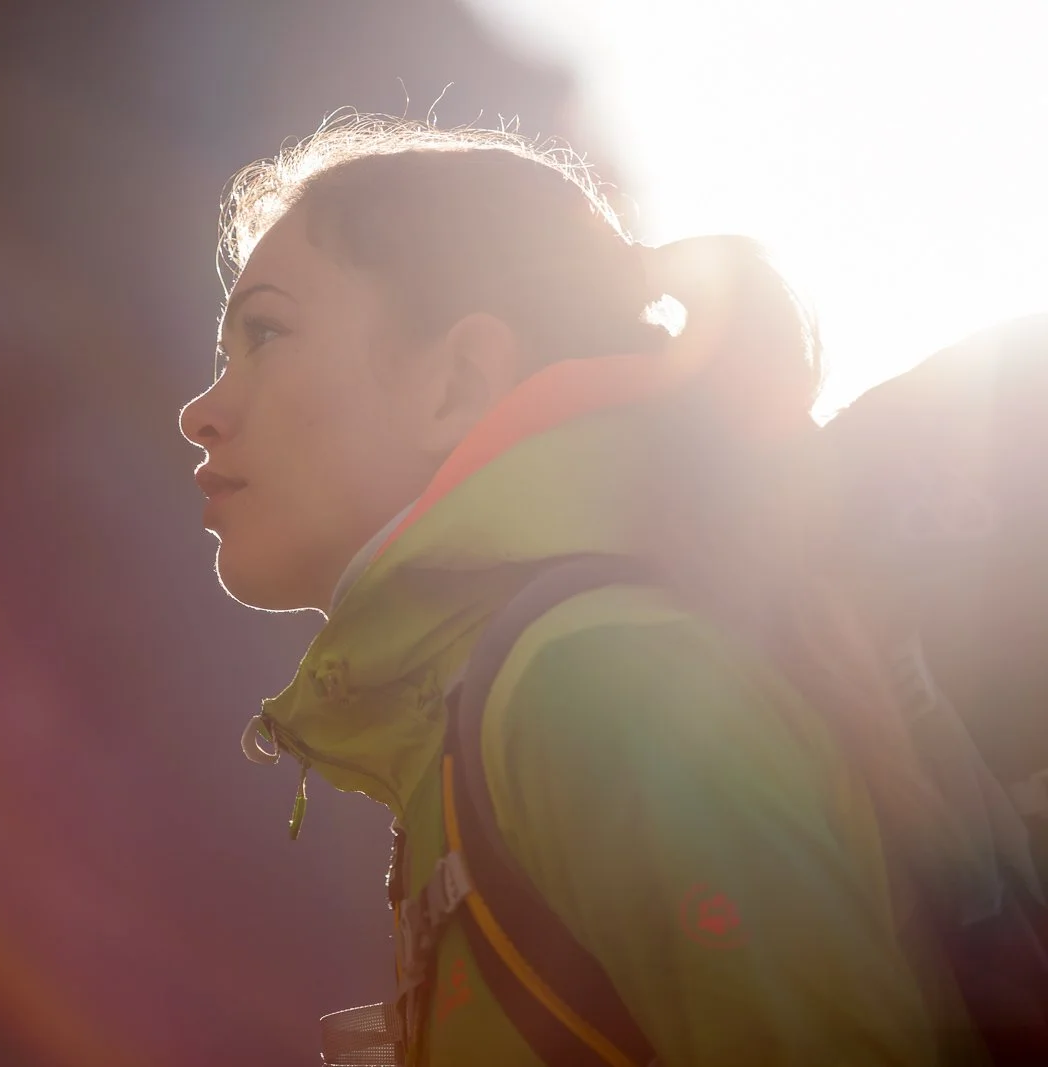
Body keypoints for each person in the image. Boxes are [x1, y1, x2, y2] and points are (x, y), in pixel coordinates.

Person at [179, 116, 995, 1065]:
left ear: (460, 381)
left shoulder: (601, 687)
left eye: (265, 333)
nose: (201, 412)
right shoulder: (517, 692)